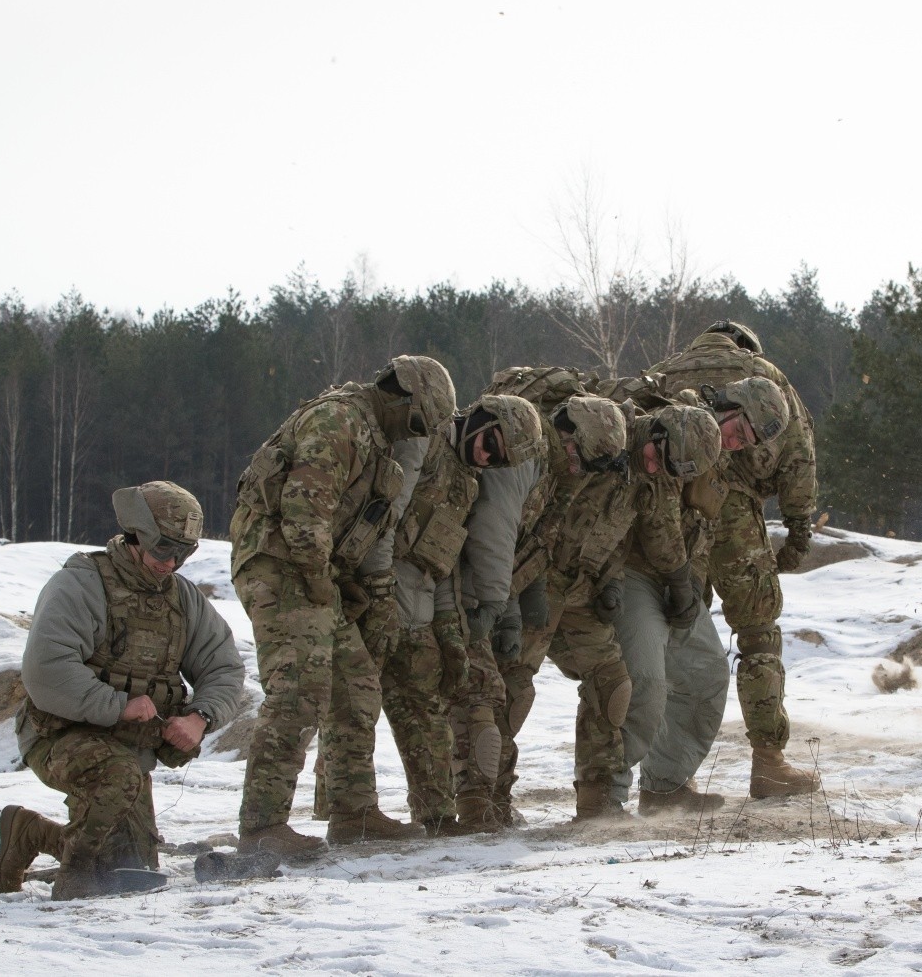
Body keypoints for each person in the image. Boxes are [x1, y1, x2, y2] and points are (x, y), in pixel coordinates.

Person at [231, 355, 456, 854]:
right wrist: (318, 581)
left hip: (313, 569)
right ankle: (262, 826)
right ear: (401, 396)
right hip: (279, 561)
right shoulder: (340, 421)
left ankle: (354, 813)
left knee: (356, 686)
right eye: (419, 422)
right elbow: (304, 509)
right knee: (300, 690)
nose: (417, 436)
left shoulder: (376, 437)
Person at [0, 481, 245, 899]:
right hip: (59, 737)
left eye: (183, 554)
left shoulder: (182, 599)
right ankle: (72, 879)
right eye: (163, 550)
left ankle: (29, 834)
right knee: (115, 788)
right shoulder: (80, 584)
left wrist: (199, 717)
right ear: (137, 537)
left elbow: (224, 667)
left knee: (129, 873)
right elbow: (46, 670)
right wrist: (118, 706)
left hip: (129, 751)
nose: (171, 564)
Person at [504, 402, 721, 820]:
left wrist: (623, 581)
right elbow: (534, 518)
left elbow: (651, 530)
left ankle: (599, 799)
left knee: (614, 688)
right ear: (652, 432)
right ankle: (484, 800)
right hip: (534, 582)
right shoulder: (596, 444)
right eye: (656, 456)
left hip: (584, 589)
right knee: (510, 689)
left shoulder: (651, 473)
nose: (655, 467)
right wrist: (515, 590)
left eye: (667, 467)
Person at [650, 320, 822, 797]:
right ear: (746, 346)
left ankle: (668, 777)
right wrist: (798, 529)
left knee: (678, 640)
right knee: (758, 634)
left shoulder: (663, 373)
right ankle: (769, 763)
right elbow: (799, 452)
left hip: (677, 516)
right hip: (735, 517)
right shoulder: (761, 374)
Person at [454, 370, 629, 828]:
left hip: (497, 589)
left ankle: (507, 802)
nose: (579, 469)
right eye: (578, 457)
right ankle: (476, 804)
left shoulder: (556, 470)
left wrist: (519, 600)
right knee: (490, 695)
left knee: (506, 692)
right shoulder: (525, 458)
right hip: (461, 589)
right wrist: (497, 606)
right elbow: (494, 531)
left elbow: (533, 542)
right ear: (565, 433)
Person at [608, 377, 791, 813]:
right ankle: (602, 796)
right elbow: (657, 511)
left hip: (676, 579)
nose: (734, 443)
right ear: (729, 404)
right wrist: (678, 580)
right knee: (645, 683)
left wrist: (691, 585)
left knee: (707, 674)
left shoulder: (723, 458)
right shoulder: (680, 424)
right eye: (737, 431)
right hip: (633, 572)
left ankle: (665, 787)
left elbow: (705, 523)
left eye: (745, 441)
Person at [366, 393, 546, 834]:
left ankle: (437, 816)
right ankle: (350, 812)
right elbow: (384, 519)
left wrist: (449, 628)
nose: (485, 457)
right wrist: (377, 593)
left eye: (495, 459)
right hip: (373, 586)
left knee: (426, 702)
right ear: (481, 419)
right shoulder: (423, 443)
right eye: (489, 444)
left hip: (418, 599)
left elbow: (442, 561)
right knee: (352, 701)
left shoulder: (465, 481)